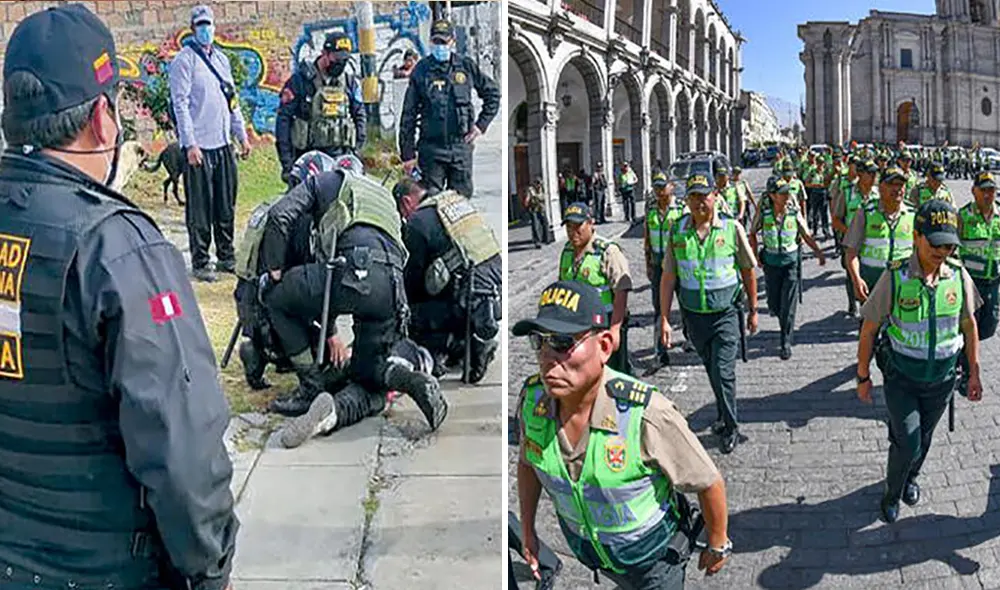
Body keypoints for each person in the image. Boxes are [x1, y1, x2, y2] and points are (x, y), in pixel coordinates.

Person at [0, 4, 237, 588]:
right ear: (103, 120)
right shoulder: (118, 249)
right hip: (105, 567)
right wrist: (210, 569)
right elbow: (183, 448)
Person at [514, 281, 732, 589]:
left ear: (604, 346)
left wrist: (717, 543)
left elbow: (708, 481)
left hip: (655, 563)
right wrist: (528, 531)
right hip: (597, 558)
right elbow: (528, 462)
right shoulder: (532, 402)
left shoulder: (645, 413)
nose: (547, 357)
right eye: (539, 341)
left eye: (562, 342)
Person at [256, 154, 448, 436]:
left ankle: (310, 389)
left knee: (276, 298)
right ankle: (408, 382)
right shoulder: (383, 195)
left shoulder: (325, 182)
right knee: (369, 373)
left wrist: (275, 271)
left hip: (350, 270)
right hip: (391, 287)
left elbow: (279, 215)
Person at [856, 200, 983, 523]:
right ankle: (891, 492)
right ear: (916, 236)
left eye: (948, 245)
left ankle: (911, 477)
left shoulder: (958, 275)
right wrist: (863, 376)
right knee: (908, 441)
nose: (942, 252)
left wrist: (974, 373)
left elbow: (969, 325)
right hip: (902, 378)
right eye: (935, 244)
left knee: (924, 438)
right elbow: (869, 329)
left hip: (942, 380)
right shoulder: (896, 277)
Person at [659, 174, 759, 454]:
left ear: (715, 195)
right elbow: (668, 277)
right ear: (686, 199)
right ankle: (723, 415)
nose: (699, 202)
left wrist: (753, 310)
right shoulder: (678, 230)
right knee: (712, 368)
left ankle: (731, 426)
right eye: (693, 196)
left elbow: (748, 270)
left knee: (724, 371)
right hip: (694, 317)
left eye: (704, 195)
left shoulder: (731, 228)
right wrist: (664, 318)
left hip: (725, 314)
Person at [232, 151, 332, 390]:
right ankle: (271, 352)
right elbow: (304, 278)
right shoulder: (299, 219)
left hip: (246, 301)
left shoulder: (272, 205)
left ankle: (259, 349)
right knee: (324, 351)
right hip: (268, 310)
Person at [168, 4, 252, 283]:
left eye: (209, 25)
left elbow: (232, 100)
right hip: (199, 146)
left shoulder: (222, 60)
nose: (206, 30)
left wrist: (242, 135)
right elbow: (180, 104)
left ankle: (226, 255)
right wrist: (189, 144)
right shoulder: (184, 61)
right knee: (201, 208)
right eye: (201, 25)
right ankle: (201, 260)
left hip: (223, 142)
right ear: (193, 29)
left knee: (225, 203)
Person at [397, 178, 502, 382]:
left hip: (470, 303)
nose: (404, 217)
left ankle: (464, 347)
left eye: (402, 212)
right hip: (496, 294)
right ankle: (468, 343)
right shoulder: (455, 201)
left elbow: (412, 280)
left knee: (410, 315)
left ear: (407, 202)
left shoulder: (418, 221)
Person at [399, 18, 500, 197]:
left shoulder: (465, 66)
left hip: (460, 148)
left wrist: (481, 125)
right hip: (431, 150)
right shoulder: (421, 70)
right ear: (430, 42)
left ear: (452, 41)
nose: (440, 46)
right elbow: (409, 115)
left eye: (444, 42)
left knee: (461, 203)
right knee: (430, 202)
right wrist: (408, 155)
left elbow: (492, 94)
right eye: (436, 41)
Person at [275, 31, 366, 186]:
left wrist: (356, 151)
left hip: (341, 159)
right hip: (307, 160)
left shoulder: (349, 82)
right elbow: (283, 120)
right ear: (324, 53)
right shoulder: (300, 81)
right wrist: (287, 164)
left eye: (344, 59)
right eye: (336, 58)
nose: (340, 63)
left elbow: (359, 115)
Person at [749, 178, 826, 359]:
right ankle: (781, 317)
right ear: (772, 196)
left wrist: (818, 252)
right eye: (782, 193)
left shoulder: (793, 213)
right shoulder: (765, 213)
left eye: (787, 193)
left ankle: (785, 340)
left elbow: (805, 234)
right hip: (771, 264)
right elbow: (752, 232)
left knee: (788, 305)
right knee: (774, 304)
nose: (786, 196)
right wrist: (755, 255)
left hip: (790, 263)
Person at [559, 202, 633, 375]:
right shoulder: (567, 251)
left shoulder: (607, 251)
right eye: (569, 227)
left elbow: (621, 291)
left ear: (590, 223)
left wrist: (615, 329)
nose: (573, 232)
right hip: (577, 325)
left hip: (604, 322)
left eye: (578, 226)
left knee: (613, 373)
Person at [844, 165, 915, 305]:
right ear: (880, 187)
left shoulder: (913, 214)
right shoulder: (865, 213)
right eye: (891, 184)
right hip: (872, 282)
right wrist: (856, 279)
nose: (897, 189)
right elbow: (851, 252)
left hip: (904, 283)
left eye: (900, 185)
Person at [957, 171, 1000, 396]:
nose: (987, 194)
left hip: (993, 282)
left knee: (989, 327)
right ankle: (967, 373)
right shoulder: (963, 216)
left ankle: (962, 351)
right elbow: (952, 248)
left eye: (991, 190)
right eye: (983, 190)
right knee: (969, 326)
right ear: (973, 191)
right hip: (970, 284)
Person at [645, 172, 686, 367]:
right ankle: (660, 353)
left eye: (662, 187)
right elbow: (647, 237)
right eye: (656, 187)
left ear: (672, 186)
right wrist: (648, 263)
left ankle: (691, 339)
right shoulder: (651, 208)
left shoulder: (681, 208)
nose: (659, 191)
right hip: (658, 266)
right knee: (659, 309)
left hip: (679, 265)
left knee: (686, 305)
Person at [832, 158, 876, 317]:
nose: (874, 177)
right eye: (870, 173)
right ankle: (853, 303)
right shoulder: (847, 193)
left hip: (873, 244)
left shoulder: (878, 194)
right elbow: (836, 219)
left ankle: (868, 306)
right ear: (860, 174)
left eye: (875, 173)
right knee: (852, 274)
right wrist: (851, 233)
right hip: (852, 243)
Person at [523, 176, 551, 247]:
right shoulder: (531, 190)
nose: (538, 185)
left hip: (542, 209)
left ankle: (546, 239)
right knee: (535, 225)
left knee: (545, 223)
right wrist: (526, 203)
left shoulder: (543, 189)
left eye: (540, 183)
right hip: (534, 209)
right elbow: (527, 199)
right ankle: (537, 241)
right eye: (537, 183)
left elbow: (545, 196)